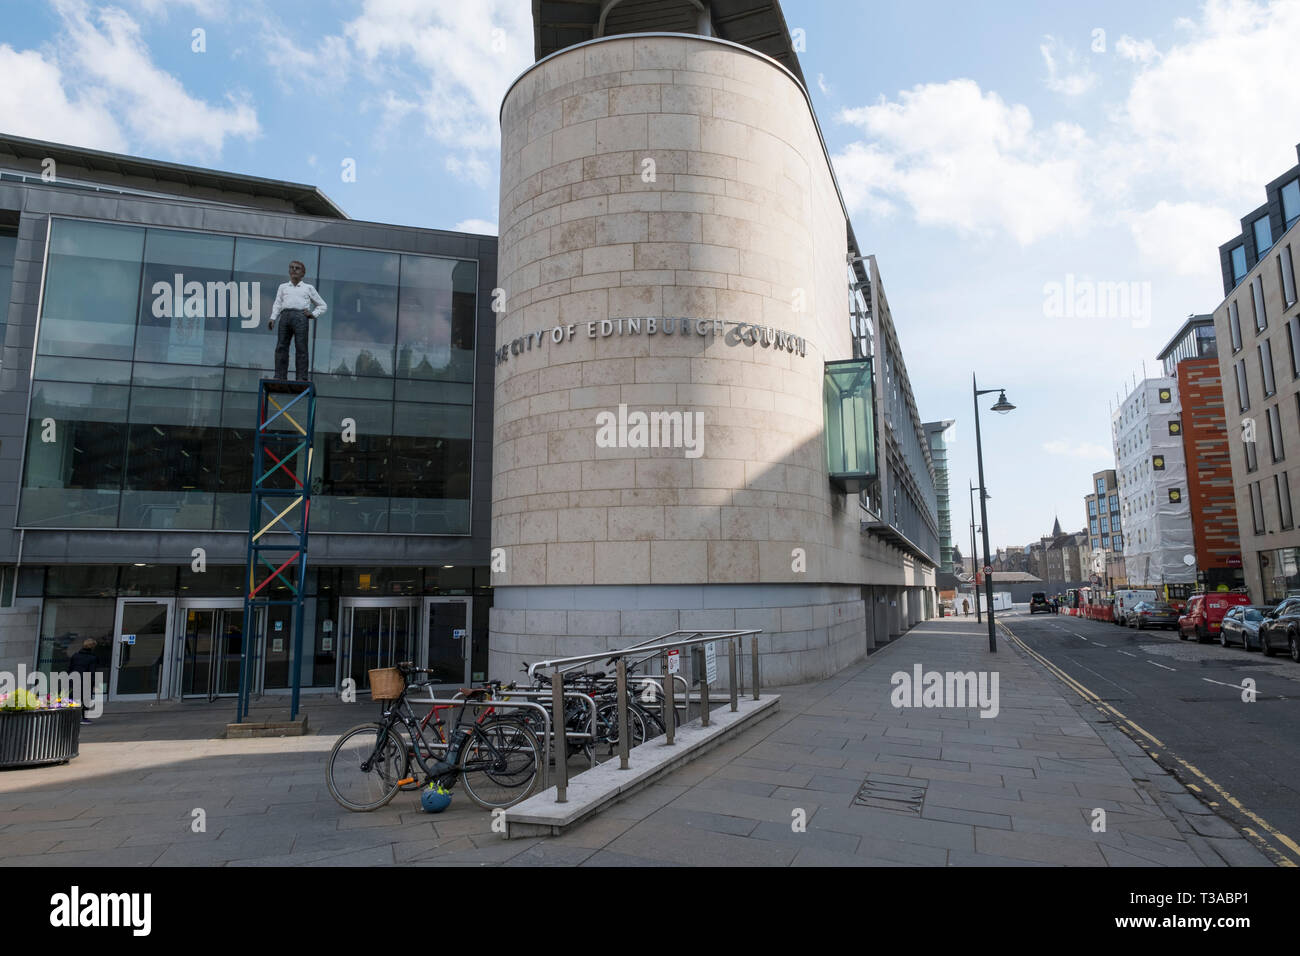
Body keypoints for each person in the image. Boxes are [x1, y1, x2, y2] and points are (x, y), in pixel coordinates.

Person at [267, 260, 327, 380]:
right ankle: (279, 375)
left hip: (301, 317)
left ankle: (301, 377)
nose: (294, 270)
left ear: (303, 273)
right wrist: (273, 317)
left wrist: (313, 314)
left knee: (301, 348)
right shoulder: (283, 287)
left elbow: (322, 305)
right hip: (285, 316)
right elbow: (277, 303)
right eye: (292, 267)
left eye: (297, 268)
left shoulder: (308, 288)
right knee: (281, 347)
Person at [68, 638, 98, 722]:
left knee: (73, 697)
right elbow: (92, 671)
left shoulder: (75, 655)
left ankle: (72, 717)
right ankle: (84, 718)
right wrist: (93, 683)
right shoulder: (92, 658)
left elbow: (70, 668)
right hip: (85, 680)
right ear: (92, 647)